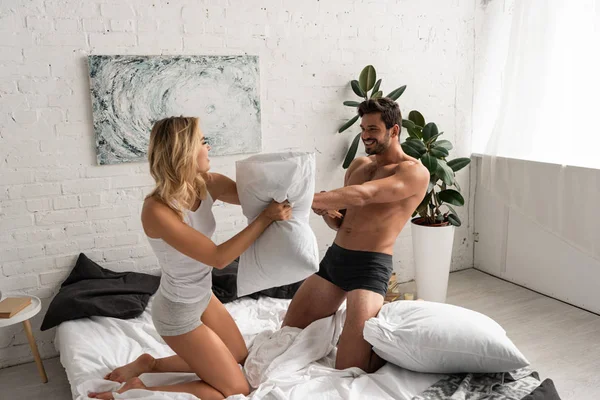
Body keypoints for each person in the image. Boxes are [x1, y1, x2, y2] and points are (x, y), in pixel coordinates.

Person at [90, 117, 291, 400]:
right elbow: (218, 258)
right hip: (177, 313)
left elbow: (258, 198)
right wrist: (266, 219)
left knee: (239, 356)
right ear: (183, 151)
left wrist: (319, 203)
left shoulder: (207, 183)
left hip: (203, 297)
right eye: (202, 141)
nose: (209, 146)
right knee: (236, 391)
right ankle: (140, 389)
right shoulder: (157, 210)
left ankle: (150, 364)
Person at [282, 97, 429, 373]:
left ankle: (401, 313)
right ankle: (363, 318)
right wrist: (327, 212)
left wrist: (311, 198)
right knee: (287, 335)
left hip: (369, 267)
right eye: (363, 128)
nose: (365, 135)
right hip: (335, 261)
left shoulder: (413, 172)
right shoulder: (359, 166)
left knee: (350, 366)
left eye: (372, 129)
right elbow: (344, 223)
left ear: (394, 130)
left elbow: (366, 195)